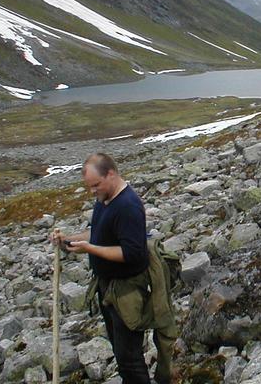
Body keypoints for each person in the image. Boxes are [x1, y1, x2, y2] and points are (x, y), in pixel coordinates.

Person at [51, 153, 173, 384]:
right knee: (120, 352)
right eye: (89, 187)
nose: (93, 191)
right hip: (108, 288)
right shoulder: (104, 200)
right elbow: (97, 233)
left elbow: (132, 252)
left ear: (111, 174)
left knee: (129, 358)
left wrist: (90, 249)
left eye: (96, 185)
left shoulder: (128, 206)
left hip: (127, 291)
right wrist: (68, 241)